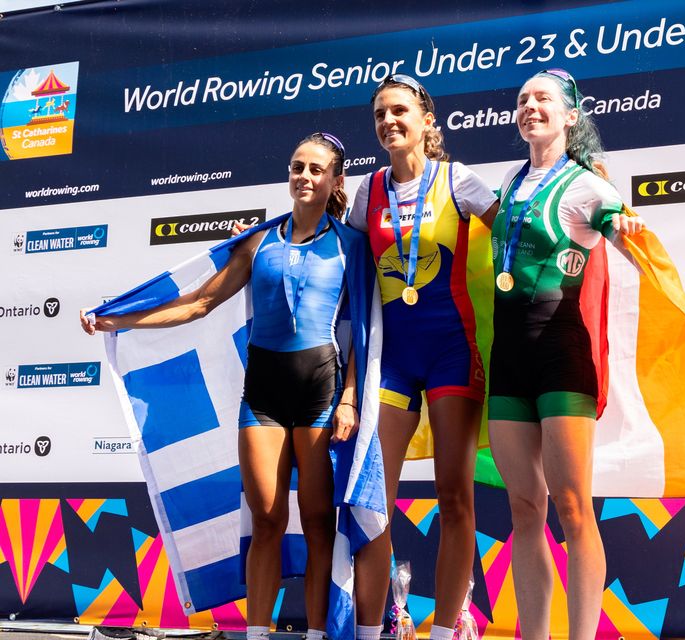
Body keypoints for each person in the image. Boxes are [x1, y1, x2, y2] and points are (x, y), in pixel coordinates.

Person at [80, 133, 366, 640]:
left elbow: (364, 331)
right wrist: (118, 319)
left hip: (322, 392)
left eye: (316, 169)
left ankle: (319, 634)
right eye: (297, 166)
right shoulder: (257, 242)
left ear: (335, 181)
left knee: (320, 524)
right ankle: (256, 634)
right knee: (268, 521)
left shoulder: (351, 246)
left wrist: (349, 398)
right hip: (263, 396)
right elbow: (197, 303)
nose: (304, 176)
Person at [487, 69, 643, 640]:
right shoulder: (507, 182)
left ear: (570, 117)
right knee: (524, 511)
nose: (530, 106)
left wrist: (625, 226)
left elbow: (623, 233)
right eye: (523, 99)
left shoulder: (590, 187)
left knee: (574, 511)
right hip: (509, 362)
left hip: (561, 356)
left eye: (543, 99)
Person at [348, 74, 499, 640]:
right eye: (381, 114)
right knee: (374, 501)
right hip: (394, 360)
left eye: (401, 111)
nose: (389, 121)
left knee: (454, 497)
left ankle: (445, 626)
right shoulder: (369, 191)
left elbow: (515, 232)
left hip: (452, 355)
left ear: (427, 122)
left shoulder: (459, 181)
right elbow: (340, 254)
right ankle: (384, 621)